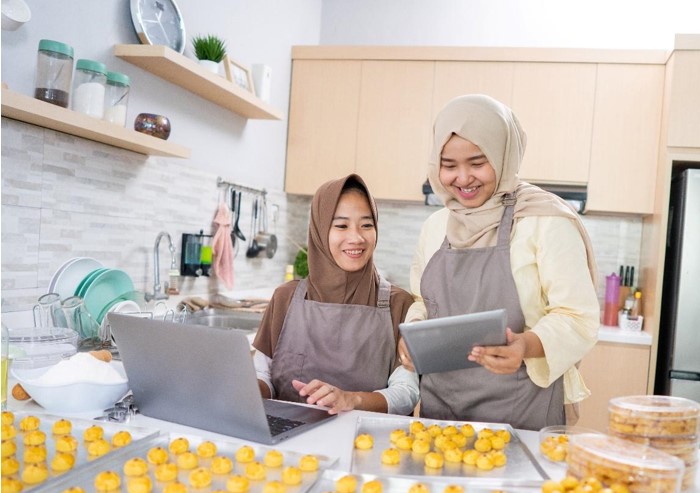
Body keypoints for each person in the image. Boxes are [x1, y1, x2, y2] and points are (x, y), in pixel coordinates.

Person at [398, 94, 600, 430]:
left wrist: (526, 345)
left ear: (504, 155)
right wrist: (413, 332)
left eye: (477, 163)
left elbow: (578, 317)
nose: (462, 178)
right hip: (441, 410)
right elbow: (424, 301)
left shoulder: (545, 220)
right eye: (449, 165)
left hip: (522, 410)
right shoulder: (435, 227)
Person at [252, 174, 418, 415]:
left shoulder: (399, 303)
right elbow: (262, 374)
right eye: (341, 225)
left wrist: (352, 400)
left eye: (367, 225)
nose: (357, 237)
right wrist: (245, 391)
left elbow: (406, 392)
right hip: (286, 440)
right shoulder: (285, 298)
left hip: (365, 442)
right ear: (320, 231)